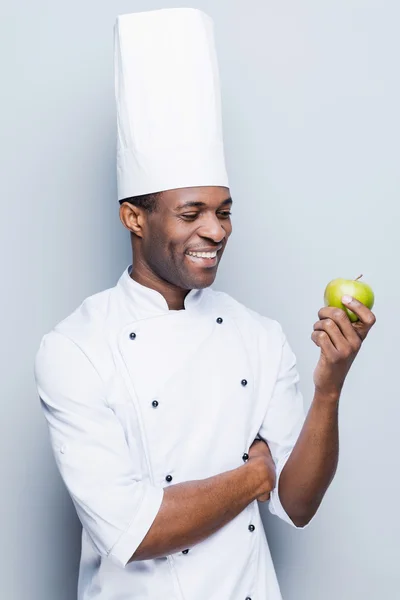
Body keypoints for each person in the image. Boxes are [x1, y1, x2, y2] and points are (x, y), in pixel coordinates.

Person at [34, 8, 376, 600]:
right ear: (133, 218)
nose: (216, 231)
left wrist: (329, 386)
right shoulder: (75, 349)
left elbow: (297, 504)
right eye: (191, 214)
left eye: (224, 211)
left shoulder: (259, 336)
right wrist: (253, 476)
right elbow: (135, 530)